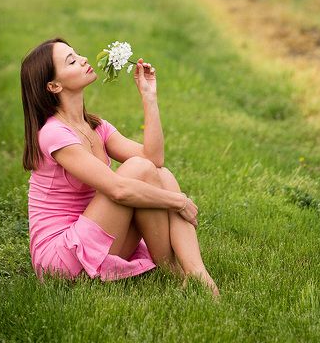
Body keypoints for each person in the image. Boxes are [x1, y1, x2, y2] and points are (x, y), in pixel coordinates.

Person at [21, 37, 219, 297]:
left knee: (161, 174)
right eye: (71, 61)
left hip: (97, 235)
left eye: (77, 54)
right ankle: (176, 270)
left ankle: (194, 273)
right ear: (54, 86)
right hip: (61, 257)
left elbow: (154, 159)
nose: (83, 59)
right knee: (138, 170)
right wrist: (178, 201)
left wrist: (149, 97)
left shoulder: (96, 126)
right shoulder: (53, 134)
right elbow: (118, 190)